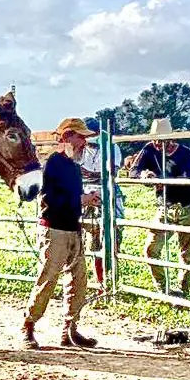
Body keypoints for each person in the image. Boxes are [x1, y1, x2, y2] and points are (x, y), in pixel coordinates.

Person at [19, 117, 101, 350]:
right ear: (67, 137)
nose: (84, 142)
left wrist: (85, 201)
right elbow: (50, 199)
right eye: (81, 137)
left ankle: (70, 329)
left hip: (71, 228)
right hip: (54, 228)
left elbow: (63, 198)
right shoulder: (54, 163)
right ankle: (28, 325)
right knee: (48, 280)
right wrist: (82, 200)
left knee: (78, 282)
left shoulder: (71, 165)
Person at [128, 118, 190, 297]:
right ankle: (163, 288)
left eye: (162, 139)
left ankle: (183, 291)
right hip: (164, 206)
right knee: (151, 249)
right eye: (155, 138)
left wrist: (163, 182)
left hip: (187, 205)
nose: (157, 142)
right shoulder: (149, 150)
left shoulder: (184, 153)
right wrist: (145, 175)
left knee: (186, 252)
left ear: (171, 138)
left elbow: (188, 178)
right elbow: (133, 171)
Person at [77, 116, 125, 289]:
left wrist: (85, 173)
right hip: (86, 197)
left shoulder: (112, 147)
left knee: (111, 239)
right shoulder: (80, 150)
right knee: (91, 242)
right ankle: (100, 283)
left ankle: (110, 281)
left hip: (107, 196)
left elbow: (111, 173)